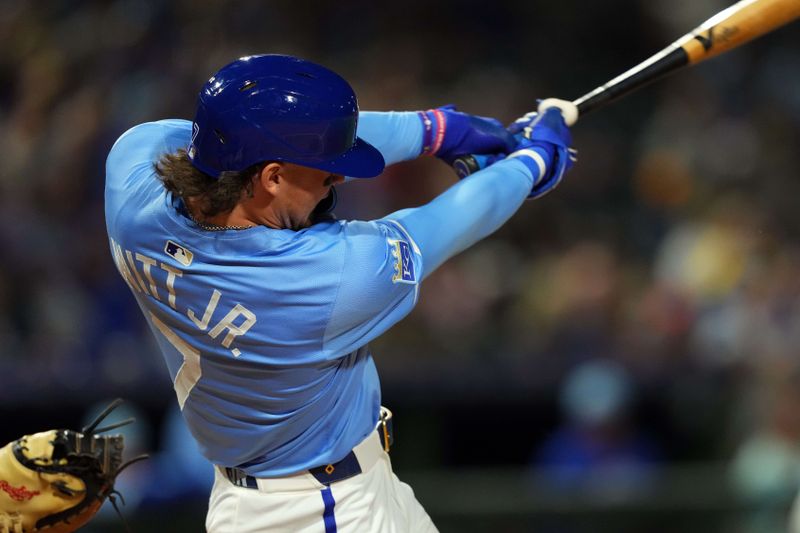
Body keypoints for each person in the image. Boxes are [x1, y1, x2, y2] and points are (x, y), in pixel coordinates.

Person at [104, 53, 576, 532]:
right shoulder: (327, 278)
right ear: (271, 177)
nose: (336, 180)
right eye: (324, 172)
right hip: (315, 513)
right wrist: (531, 163)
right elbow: (452, 219)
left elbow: (220, 143)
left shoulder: (130, 186)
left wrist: (435, 131)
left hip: (274, 495)